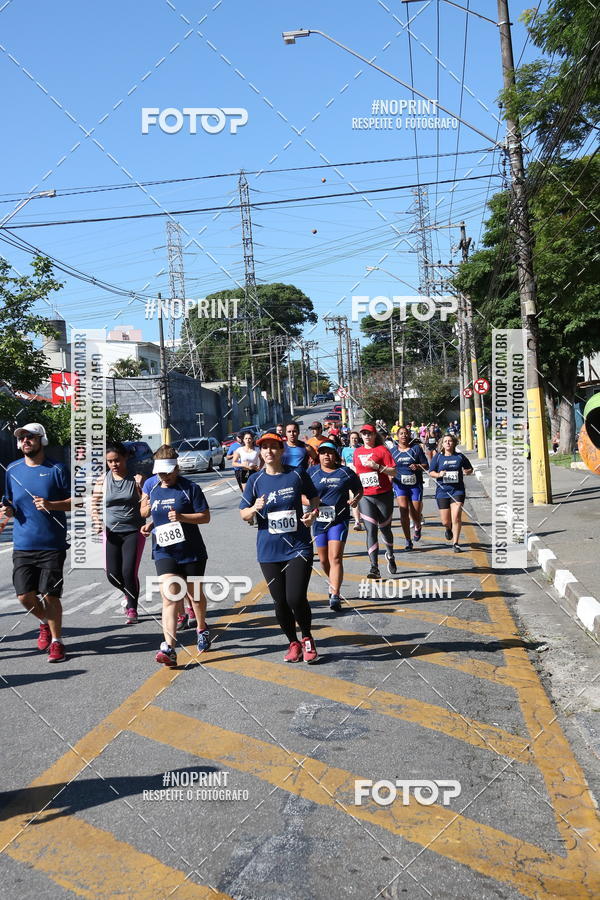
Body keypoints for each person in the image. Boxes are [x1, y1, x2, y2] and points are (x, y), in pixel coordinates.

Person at [239, 431, 321, 663]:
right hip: (269, 549)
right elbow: (243, 514)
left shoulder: (297, 474)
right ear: (260, 452)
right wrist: (254, 508)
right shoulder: (255, 480)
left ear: (281, 450)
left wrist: (312, 514)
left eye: (273, 447)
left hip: (298, 546)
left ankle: (307, 638)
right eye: (264, 447)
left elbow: (314, 499)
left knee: (295, 597)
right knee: (280, 601)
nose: (268, 451)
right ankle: (292, 642)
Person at [1, 423, 71, 662]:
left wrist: (51, 505)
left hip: (52, 543)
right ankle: (43, 622)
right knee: (24, 596)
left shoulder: (57, 469)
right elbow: (8, 502)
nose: (25, 441)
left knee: (50, 595)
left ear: (42, 439)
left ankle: (57, 642)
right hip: (23, 544)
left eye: (30, 437)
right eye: (21, 438)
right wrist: (7, 511)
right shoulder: (12, 470)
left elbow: (76, 501)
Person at [140, 445, 211, 666]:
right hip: (163, 551)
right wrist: (150, 523)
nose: (165, 477)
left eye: (168, 472)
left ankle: (201, 627)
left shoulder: (190, 488)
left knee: (194, 596)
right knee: (169, 598)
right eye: (161, 473)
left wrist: (182, 517)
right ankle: (169, 647)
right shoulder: (152, 487)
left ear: (176, 468)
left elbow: (205, 517)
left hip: (191, 551)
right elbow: (144, 511)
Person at [91, 442, 146, 625]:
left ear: (126, 458)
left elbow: (146, 505)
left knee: (128, 571)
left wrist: (140, 489)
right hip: (111, 532)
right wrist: (97, 521)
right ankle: (129, 593)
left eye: (117, 460)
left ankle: (132, 608)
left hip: (133, 531)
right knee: (112, 574)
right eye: (110, 461)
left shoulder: (136, 479)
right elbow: (94, 504)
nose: (114, 464)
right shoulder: (102, 481)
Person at [309, 441, 363, 611]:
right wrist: (310, 503)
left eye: (330, 453)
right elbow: (302, 494)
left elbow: (359, 489)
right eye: (323, 452)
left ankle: (335, 594)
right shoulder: (311, 472)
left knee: (336, 558)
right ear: (319, 455)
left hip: (339, 520)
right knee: (324, 560)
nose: (326, 456)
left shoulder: (345, 472)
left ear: (336, 455)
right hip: (318, 521)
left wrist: (355, 499)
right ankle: (334, 581)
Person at [353, 424, 397, 579]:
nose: (366, 436)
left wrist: (378, 466)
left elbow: (394, 471)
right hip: (366, 496)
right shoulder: (357, 452)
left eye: (369, 434)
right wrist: (354, 494)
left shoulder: (382, 450)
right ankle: (374, 567)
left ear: (374, 435)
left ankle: (390, 555)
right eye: (364, 434)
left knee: (385, 529)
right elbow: (357, 474)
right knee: (371, 530)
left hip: (383, 495)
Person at [429, 434, 473, 552]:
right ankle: (448, 529)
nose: (448, 443)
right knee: (445, 521)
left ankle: (456, 543)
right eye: (445, 441)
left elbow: (469, 469)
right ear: (442, 444)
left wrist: (466, 471)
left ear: (453, 443)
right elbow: (431, 472)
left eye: (450, 441)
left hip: (457, 490)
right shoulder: (438, 457)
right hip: (442, 491)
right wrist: (439, 475)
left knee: (456, 517)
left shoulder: (459, 457)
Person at [390, 426, 429, 550]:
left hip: (415, 485)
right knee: (403, 511)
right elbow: (389, 467)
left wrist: (417, 466)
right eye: (401, 434)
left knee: (415, 512)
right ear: (397, 436)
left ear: (409, 435)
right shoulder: (392, 451)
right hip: (399, 485)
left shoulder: (416, 449)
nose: (403, 436)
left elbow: (426, 465)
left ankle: (417, 526)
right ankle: (408, 540)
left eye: (406, 433)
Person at [341, 431, 363, 531]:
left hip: (362, 476)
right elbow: (343, 463)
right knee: (354, 498)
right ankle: (357, 522)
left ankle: (367, 517)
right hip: (350, 477)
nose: (354, 440)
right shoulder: (345, 450)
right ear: (349, 439)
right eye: (352, 438)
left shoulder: (362, 449)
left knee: (364, 499)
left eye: (356, 438)